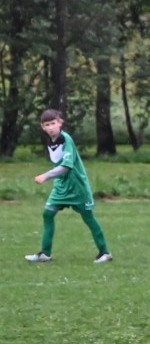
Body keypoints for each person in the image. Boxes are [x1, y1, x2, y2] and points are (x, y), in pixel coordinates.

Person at [25, 109, 112, 264]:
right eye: (47, 125)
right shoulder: (51, 141)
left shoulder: (66, 139)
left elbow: (66, 166)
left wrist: (46, 176)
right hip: (61, 187)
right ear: (42, 127)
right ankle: (45, 254)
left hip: (77, 187)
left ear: (60, 123)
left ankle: (105, 253)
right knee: (47, 214)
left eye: (53, 123)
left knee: (88, 217)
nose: (51, 127)